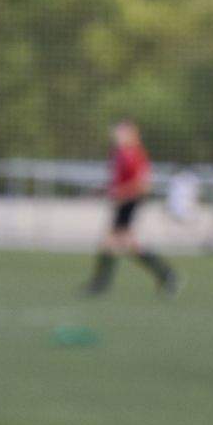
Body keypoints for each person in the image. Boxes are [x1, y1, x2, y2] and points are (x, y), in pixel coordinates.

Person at [86, 118, 179, 298]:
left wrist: (119, 192)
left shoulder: (136, 154)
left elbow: (143, 185)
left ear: (132, 135)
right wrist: (107, 190)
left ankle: (100, 284)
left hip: (130, 202)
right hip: (122, 202)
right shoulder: (118, 153)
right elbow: (117, 181)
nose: (117, 135)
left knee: (114, 242)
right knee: (123, 243)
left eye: (122, 132)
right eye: (117, 131)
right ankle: (166, 274)